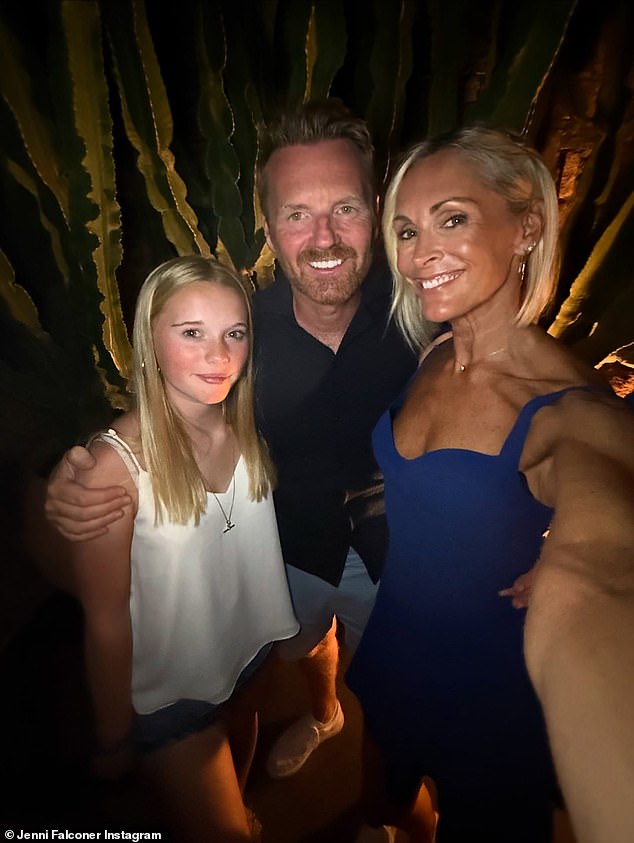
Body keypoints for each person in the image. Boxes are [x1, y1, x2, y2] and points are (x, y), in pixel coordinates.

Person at [43, 100, 420, 779]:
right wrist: (79, 473)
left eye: (345, 208)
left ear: (376, 210)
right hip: (282, 556)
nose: (324, 237)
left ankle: (383, 802)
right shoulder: (242, 331)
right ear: (269, 227)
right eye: (297, 214)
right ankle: (323, 712)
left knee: (399, 701)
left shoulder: (423, 310)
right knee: (286, 660)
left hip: (397, 553)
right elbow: (171, 399)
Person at [346, 126, 634, 843]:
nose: (419, 254)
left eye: (453, 219)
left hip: (490, 686)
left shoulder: (566, 408)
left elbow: (603, 562)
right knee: (381, 804)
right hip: (399, 642)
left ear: (526, 227)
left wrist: (567, 561)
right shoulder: (437, 350)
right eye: (406, 230)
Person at [68, 255, 299, 843]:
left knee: (240, 758)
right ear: (149, 340)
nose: (219, 355)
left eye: (234, 333)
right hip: (172, 695)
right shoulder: (114, 467)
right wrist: (113, 737)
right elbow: (105, 620)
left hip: (250, 653)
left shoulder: (248, 421)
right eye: (192, 333)